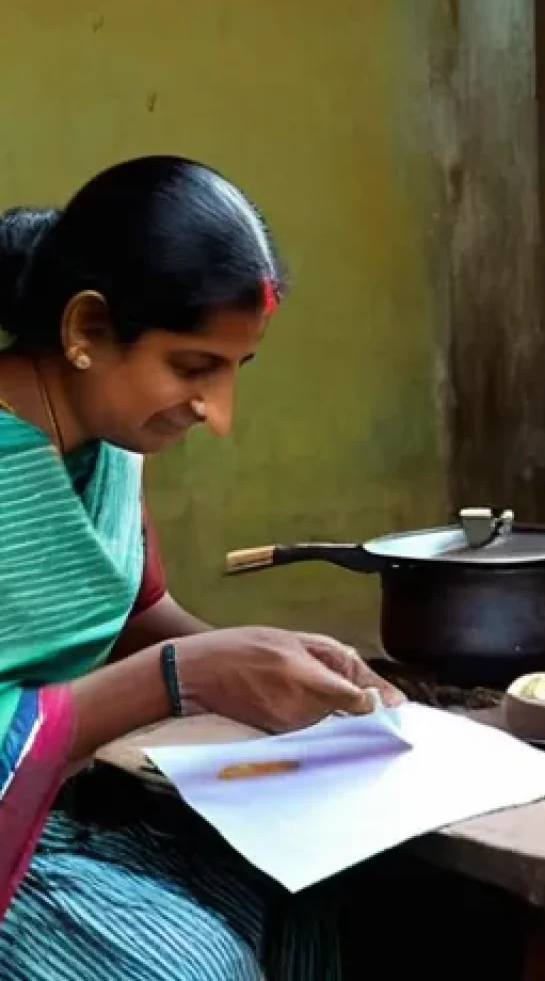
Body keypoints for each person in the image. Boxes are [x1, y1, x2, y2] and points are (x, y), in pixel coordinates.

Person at [0, 155, 405, 979]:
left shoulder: (107, 446)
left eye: (233, 373)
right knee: (191, 966)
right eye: (193, 369)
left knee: (304, 880)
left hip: (55, 813)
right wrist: (185, 676)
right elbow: (156, 667)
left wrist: (275, 663)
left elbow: (130, 616)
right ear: (85, 331)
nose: (217, 414)